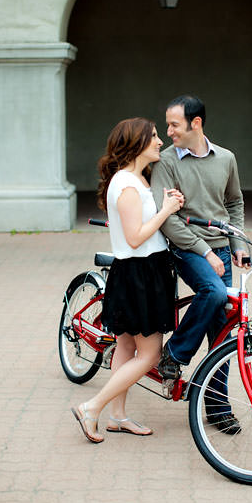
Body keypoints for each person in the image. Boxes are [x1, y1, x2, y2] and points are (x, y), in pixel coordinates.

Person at [70, 118, 183, 442]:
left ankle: (117, 417)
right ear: (136, 143)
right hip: (141, 273)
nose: (160, 141)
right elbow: (135, 238)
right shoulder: (128, 184)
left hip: (139, 271)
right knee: (148, 355)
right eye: (154, 137)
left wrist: (164, 206)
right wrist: (167, 210)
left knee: (126, 345)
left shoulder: (133, 179)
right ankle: (92, 408)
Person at [151, 94, 248, 435]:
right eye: (167, 124)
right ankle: (174, 354)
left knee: (221, 331)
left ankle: (217, 408)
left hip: (222, 249)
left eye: (174, 124)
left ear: (196, 123)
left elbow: (234, 202)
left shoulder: (226, 158)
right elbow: (167, 219)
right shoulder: (166, 162)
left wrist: (237, 245)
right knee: (213, 293)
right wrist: (204, 251)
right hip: (187, 247)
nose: (168, 131)